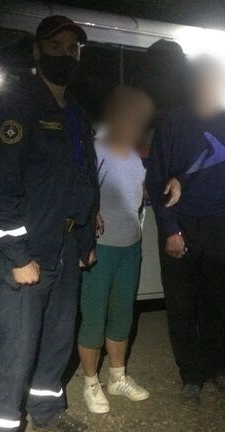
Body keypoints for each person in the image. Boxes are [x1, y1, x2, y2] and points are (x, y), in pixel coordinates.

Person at [0, 16, 98, 432]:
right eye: (57, 44)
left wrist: (85, 241)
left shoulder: (77, 114)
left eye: (74, 47)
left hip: (66, 249)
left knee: (57, 342)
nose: (67, 53)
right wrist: (18, 256)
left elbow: (84, 182)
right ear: (37, 51)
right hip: (30, 255)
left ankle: (46, 411)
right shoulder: (18, 106)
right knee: (16, 354)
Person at [146, 56, 225, 406]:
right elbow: (156, 180)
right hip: (181, 226)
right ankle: (191, 376)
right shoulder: (173, 121)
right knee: (182, 305)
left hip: (216, 227)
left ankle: (215, 367)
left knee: (215, 305)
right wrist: (170, 229)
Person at [77, 86, 181, 414]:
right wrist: (89, 213)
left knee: (122, 316)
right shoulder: (95, 147)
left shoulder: (133, 154)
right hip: (101, 247)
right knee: (94, 317)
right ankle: (90, 382)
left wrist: (172, 182)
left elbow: (143, 191)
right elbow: (79, 188)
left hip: (129, 247)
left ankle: (117, 377)